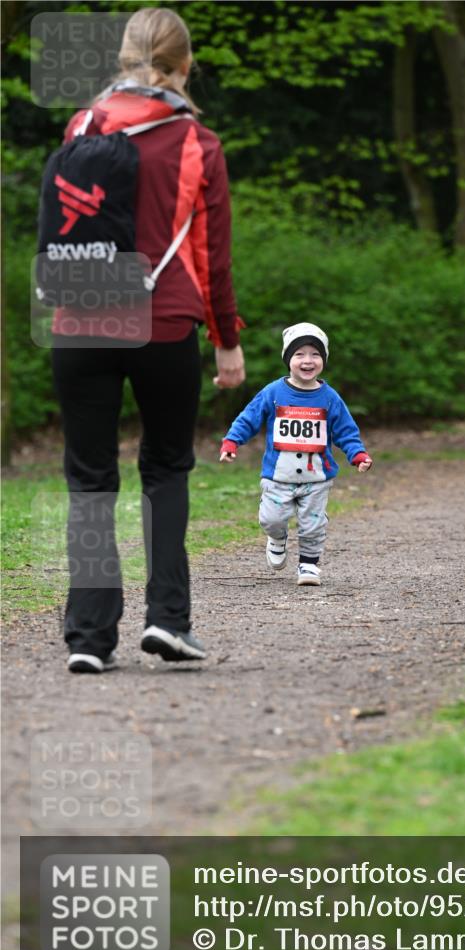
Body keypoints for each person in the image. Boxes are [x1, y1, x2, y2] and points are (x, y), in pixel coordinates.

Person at [50, 8, 245, 673]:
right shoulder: (196, 143)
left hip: (78, 322)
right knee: (164, 469)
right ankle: (168, 619)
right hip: (162, 323)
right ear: (186, 66)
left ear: (123, 58)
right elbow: (211, 256)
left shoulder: (82, 126)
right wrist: (226, 339)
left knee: (89, 480)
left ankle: (88, 638)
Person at [219, 323, 372, 586]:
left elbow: (346, 431)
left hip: (317, 477)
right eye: (299, 354)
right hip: (278, 476)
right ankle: (277, 539)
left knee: (313, 524)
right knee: (271, 519)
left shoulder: (330, 398)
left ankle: (309, 565)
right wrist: (231, 442)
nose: (307, 361)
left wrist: (357, 454)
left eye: (315, 354)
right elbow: (248, 418)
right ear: (288, 359)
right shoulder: (273, 392)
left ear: (323, 360)